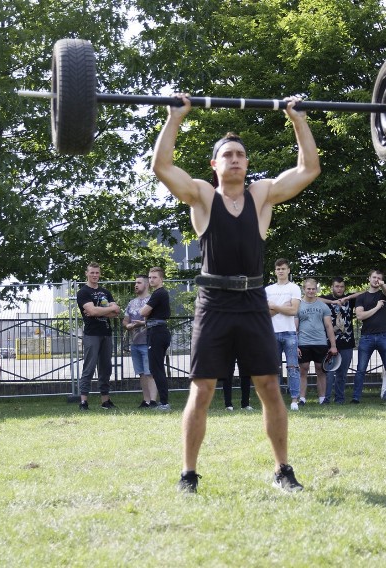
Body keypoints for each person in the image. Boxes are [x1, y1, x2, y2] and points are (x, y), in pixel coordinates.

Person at [152, 93, 320, 493]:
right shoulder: (202, 196)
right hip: (213, 304)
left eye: (241, 154)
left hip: (252, 302)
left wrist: (298, 120)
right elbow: (162, 166)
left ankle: (283, 470)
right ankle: (188, 475)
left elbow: (308, 168)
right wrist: (175, 117)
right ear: (215, 165)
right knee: (203, 388)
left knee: (268, 386)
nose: (236, 159)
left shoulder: (261, 196)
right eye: (227, 155)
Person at [76, 262, 121, 410]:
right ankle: (83, 401)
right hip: (91, 334)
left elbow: (116, 312)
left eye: (97, 273)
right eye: (92, 272)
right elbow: (94, 312)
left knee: (106, 368)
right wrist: (106, 309)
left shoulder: (105, 292)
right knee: (88, 367)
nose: (95, 275)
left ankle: (105, 401)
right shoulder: (83, 292)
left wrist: (98, 310)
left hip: (106, 333)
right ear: (87, 273)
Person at [353, 269, 386, 403]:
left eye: (379, 278)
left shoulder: (383, 295)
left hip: (383, 336)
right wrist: (377, 307)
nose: (376, 280)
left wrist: (382, 284)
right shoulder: (361, 297)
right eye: (374, 277)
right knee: (361, 370)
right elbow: (360, 316)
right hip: (366, 337)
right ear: (369, 278)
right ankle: (356, 398)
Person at [265, 258, 302, 411]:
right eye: (278, 269)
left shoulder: (294, 288)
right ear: (275, 271)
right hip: (272, 333)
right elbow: (266, 314)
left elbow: (293, 311)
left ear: (288, 270)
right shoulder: (268, 290)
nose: (281, 271)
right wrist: (281, 307)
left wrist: (275, 306)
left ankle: (294, 399)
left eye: (283, 268)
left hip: (290, 334)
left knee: (293, 367)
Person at [319, 277, 362, 404]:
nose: (339, 289)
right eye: (337, 286)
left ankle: (339, 399)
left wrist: (347, 298)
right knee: (328, 373)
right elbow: (313, 298)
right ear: (332, 287)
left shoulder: (349, 300)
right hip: (328, 343)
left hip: (347, 343)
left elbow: (364, 292)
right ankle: (325, 399)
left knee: (342, 374)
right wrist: (332, 302)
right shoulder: (327, 300)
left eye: (342, 286)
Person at [297, 278, 338, 405]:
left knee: (321, 370)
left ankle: (322, 399)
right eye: (308, 289)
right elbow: (295, 327)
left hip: (320, 342)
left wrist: (333, 345)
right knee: (303, 369)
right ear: (304, 289)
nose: (311, 291)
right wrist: (295, 344)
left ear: (316, 290)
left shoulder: (323, 306)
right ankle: (302, 399)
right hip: (303, 342)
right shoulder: (298, 305)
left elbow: (329, 326)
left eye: (313, 289)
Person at [140, 267, 172, 411]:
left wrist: (145, 312)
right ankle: (163, 401)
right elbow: (147, 315)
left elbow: (143, 312)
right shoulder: (160, 293)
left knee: (156, 368)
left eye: (154, 277)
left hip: (157, 332)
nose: (151, 280)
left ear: (161, 279)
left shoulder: (159, 293)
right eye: (150, 277)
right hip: (158, 331)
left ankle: (164, 403)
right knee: (157, 367)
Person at [123, 274, 156, 408]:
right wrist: (128, 325)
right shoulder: (131, 303)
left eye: (139, 283)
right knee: (141, 373)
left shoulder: (152, 300)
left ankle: (153, 401)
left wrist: (140, 324)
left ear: (147, 284)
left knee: (150, 373)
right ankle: (146, 400)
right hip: (135, 343)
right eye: (135, 283)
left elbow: (154, 320)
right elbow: (125, 320)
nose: (136, 285)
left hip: (148, 341)